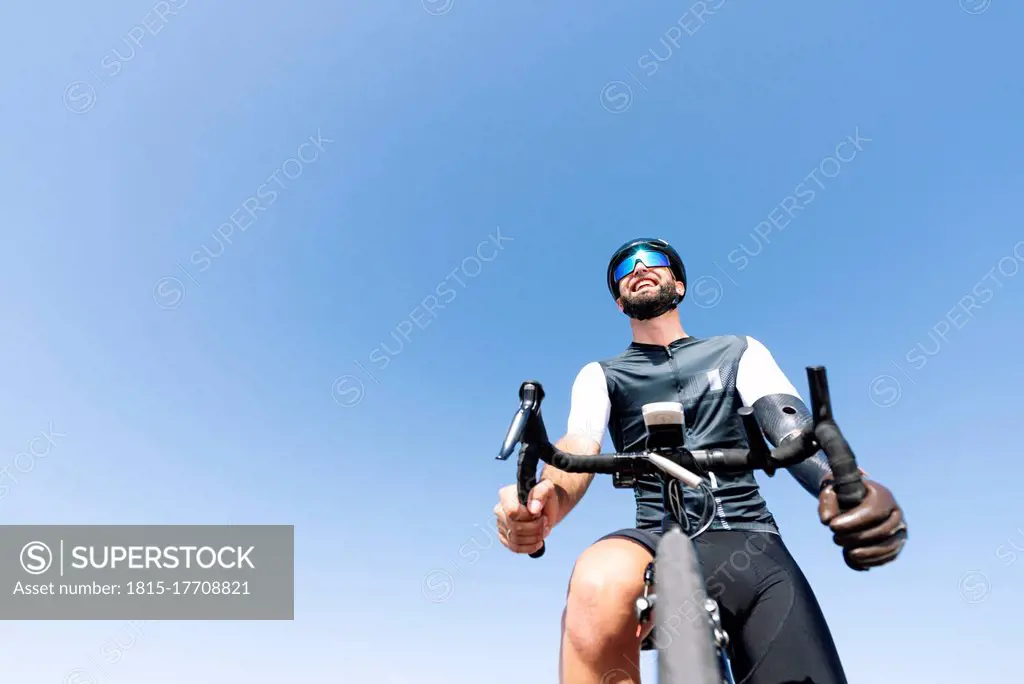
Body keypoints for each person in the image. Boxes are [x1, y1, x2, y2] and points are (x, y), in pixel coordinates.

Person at [493, 238, 908, 684]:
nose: (638, 268)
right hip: (654, 535)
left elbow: (790, 426)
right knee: (596, 580)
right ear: (619, 302)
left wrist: (844, 484)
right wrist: (545, 503)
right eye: (624, 269)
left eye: (652, 260)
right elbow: (578, 442)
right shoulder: (601, 374)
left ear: (681, 284)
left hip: (752, 541)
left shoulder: (739, 350)